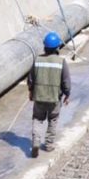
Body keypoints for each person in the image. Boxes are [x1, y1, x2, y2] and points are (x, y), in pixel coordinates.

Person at [26, 31, 71, 159]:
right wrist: (67, 94)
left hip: (39, 98)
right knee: (53, 120)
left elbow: (30, 80)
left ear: (45, 47)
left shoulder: (37, 60)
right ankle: (49, 144)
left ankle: (35, 142)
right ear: (57, 48)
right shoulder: (61, 62)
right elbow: (66, 82)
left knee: (37, 119)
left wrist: (31, 92)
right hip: (54, 99)